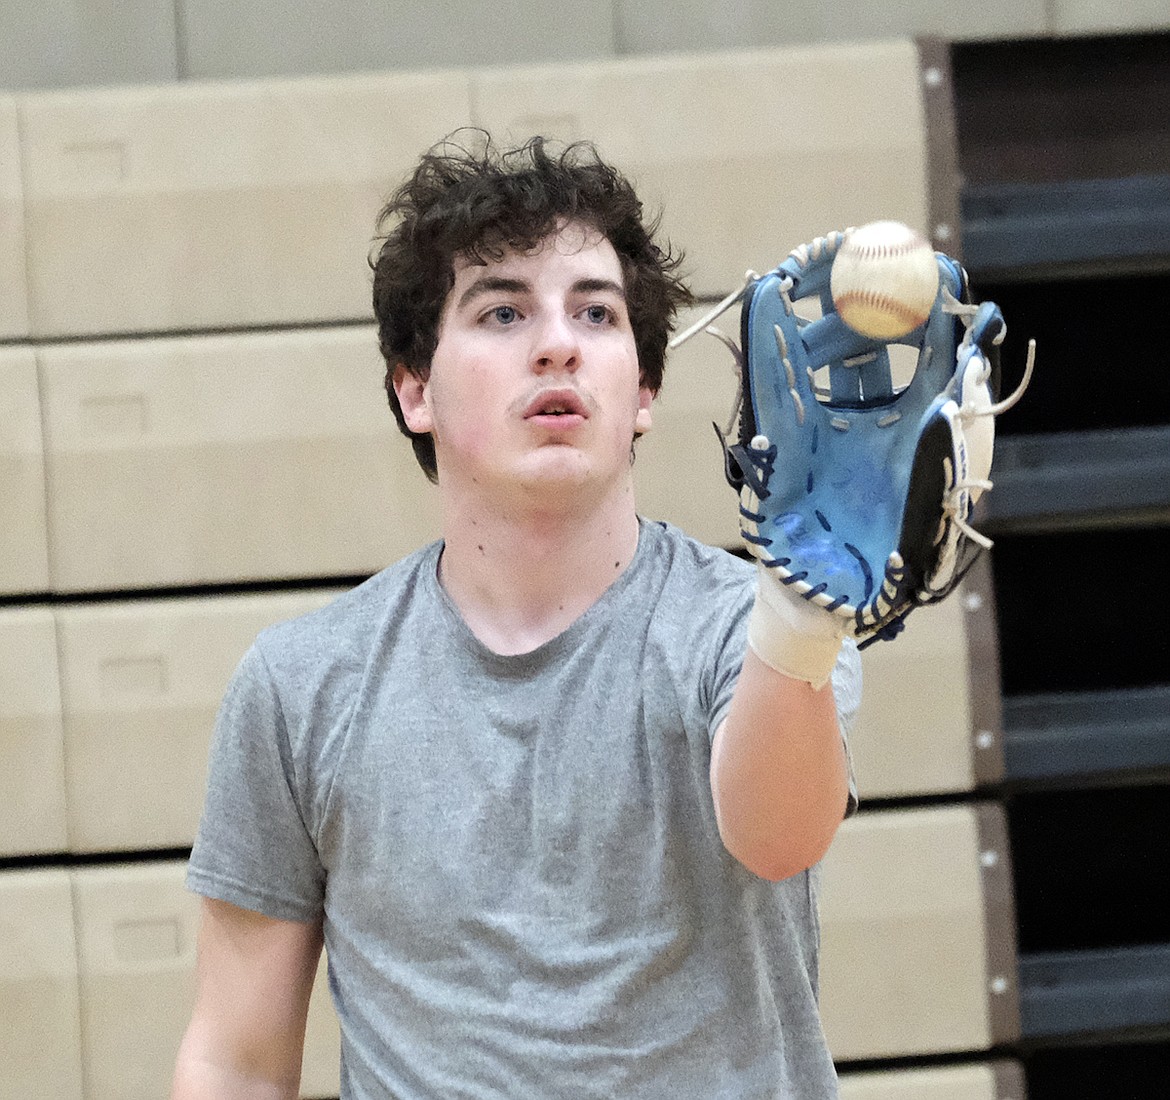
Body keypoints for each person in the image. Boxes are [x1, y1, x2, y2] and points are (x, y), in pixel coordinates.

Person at [171, 132, 861, 1100]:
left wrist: (797, 617)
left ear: (645, 392)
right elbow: (236, 1058)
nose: (557, 341)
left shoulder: (752, 630)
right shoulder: (301, 685)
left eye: (596, 312)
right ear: (414, 388)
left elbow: (781, 835)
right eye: (502, 310)